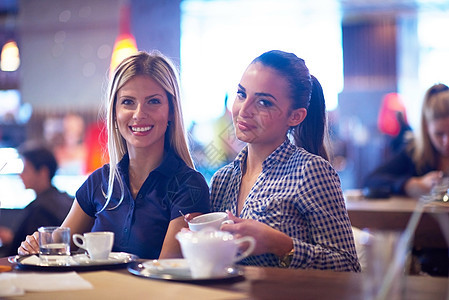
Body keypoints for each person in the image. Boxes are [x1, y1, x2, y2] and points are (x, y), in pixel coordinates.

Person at [18, 51, 210, 259]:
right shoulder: (98, 182)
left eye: (153, 101)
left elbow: (166, 273)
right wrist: (36, 246)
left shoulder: (189, 187)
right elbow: (54, 254)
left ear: (172, 111)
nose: (139, 114)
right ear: (115, 113)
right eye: (128, 102)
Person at [208, 50, 360, 271]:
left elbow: (349, 267)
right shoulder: (222, 180)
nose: (244, 110)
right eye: (241, 94)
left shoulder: (310, 171)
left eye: (264, 103)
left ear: (295, 116)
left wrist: (280, 245)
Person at [364, 83, 449, 199]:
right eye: (439, 134)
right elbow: (371, 180)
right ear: (426, 128)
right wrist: (409, 184)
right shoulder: (413, 152)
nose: (446, 142)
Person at [1, 144, 73, 256]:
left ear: (43, 172)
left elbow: (33, 247)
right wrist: (11, 237)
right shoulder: (64, 198)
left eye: (25, 169)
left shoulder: (41, 209)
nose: (20, 175)